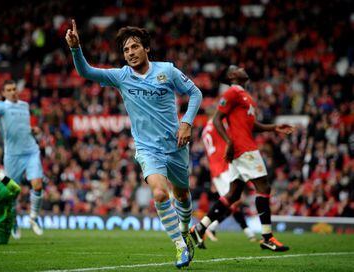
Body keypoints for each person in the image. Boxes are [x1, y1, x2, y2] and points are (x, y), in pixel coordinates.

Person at [65, 19, 202, 268]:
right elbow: (86, 72)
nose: (130, 53)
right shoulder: (121, 76)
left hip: (176, 145)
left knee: (182, 193)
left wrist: (187, 122)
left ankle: (185, 229)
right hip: (148, 149)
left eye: (134, 47)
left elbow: (195, 93)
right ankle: (181, 247)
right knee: (160, 192)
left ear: (146, 48)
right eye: (126, 50)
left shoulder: (167, 71)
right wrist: (76, 48)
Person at [190, 65, 294, 252]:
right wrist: (229, 142)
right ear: (231, 75)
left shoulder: (246, 96)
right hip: (244, 149)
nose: (242, 68)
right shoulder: (232, 92)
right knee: (264, 187)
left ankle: (200, 227)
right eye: (236, 68)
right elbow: (216, 120)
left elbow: (252, 125)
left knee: (234, 194)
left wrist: (274, 127)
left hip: (241, 148)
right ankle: (268, 237)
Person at [0, 80, 44, 238]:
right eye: (8, 90)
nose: (12, 92)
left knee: (37, 185)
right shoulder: (1, 106)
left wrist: (33, 130)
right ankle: (13, 220)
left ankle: (33, 218)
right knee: (12, 192)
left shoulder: (25, 105)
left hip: (31, 150)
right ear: (3, 93)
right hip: (13, 155)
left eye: (14, 89)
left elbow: (22, 126)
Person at [197, 118, 256, 249]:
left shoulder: (205, 131)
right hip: (223, 166)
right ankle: (205, 228)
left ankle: (208, 228)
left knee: (230, 202)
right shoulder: (219, 122)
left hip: (216, 168)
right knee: (234, 201)